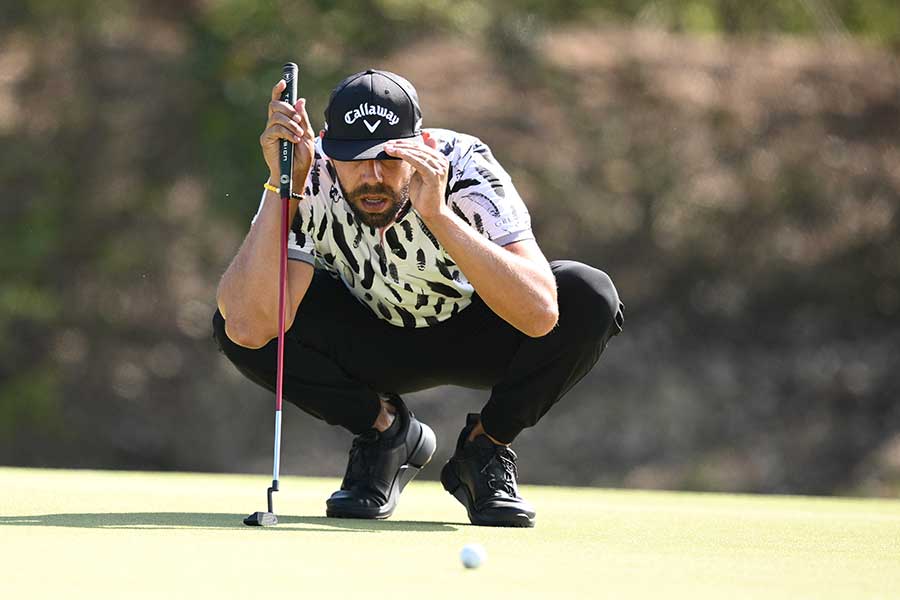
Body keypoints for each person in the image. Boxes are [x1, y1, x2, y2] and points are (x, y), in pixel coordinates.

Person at [213, 69, 624, 527]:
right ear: (329, 146)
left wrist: (440, 214)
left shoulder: (466, 164)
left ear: (420, 144)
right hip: (371, 336)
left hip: (477, 329)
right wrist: (281, 187)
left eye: (389, 158)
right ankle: (386, 434)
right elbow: (250, 325)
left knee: (588, 295)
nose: (372, 177)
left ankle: (484, 450)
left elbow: (541, 315)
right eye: (354, 159)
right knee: (234, 318)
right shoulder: (308, 172)